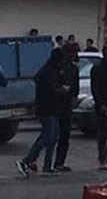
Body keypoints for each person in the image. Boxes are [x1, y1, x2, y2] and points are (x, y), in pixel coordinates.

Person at [18, 49, 68, 175]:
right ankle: (26, 161)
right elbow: (50, 91)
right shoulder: (49, 72)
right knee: (49, 137)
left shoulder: (48, 70)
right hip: (48, 108)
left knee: (52, 137)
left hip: (50, 108)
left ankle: (47, 166)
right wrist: (61, 90)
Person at [52, 43, 80, 172]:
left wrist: (74, 96)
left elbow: (75, 86)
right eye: (70, 53)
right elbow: (53, 84)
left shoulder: (74, 68)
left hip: (67, 104)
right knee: (52, 135)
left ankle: (59, 162)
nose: (72, 55)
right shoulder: (58, 67)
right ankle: (48, 162)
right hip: (57, 103)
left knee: (64, 135)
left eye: (74, 53)